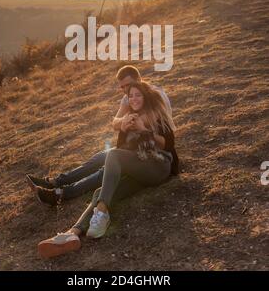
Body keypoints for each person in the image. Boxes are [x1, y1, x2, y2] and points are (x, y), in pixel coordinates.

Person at [37, 81, 178, 259]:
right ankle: (73, 233)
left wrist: (143, 130)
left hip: (158, 167)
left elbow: (168, 144)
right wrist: (124, 129)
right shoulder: (130, 117)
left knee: (111, 155)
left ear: (146, 96)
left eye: (138, 95)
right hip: (139, 171)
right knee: (100, 192)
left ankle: (102, 213)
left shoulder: (156, 114)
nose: (133, 98)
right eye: (130, 96)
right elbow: (124, 154)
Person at [27, 65, 174, 205]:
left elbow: (147, 120)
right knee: (100, 157)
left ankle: (62, 193)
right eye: (122, 87)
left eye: (128, 85)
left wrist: (130, 122)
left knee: (107, 166)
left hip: (152, 153)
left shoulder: (154, 95)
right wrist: (123, 122)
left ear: (139, 80)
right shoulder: (130, 97)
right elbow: (115, 123)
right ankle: (55, 182)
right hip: (136, 147)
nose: (126, 90)